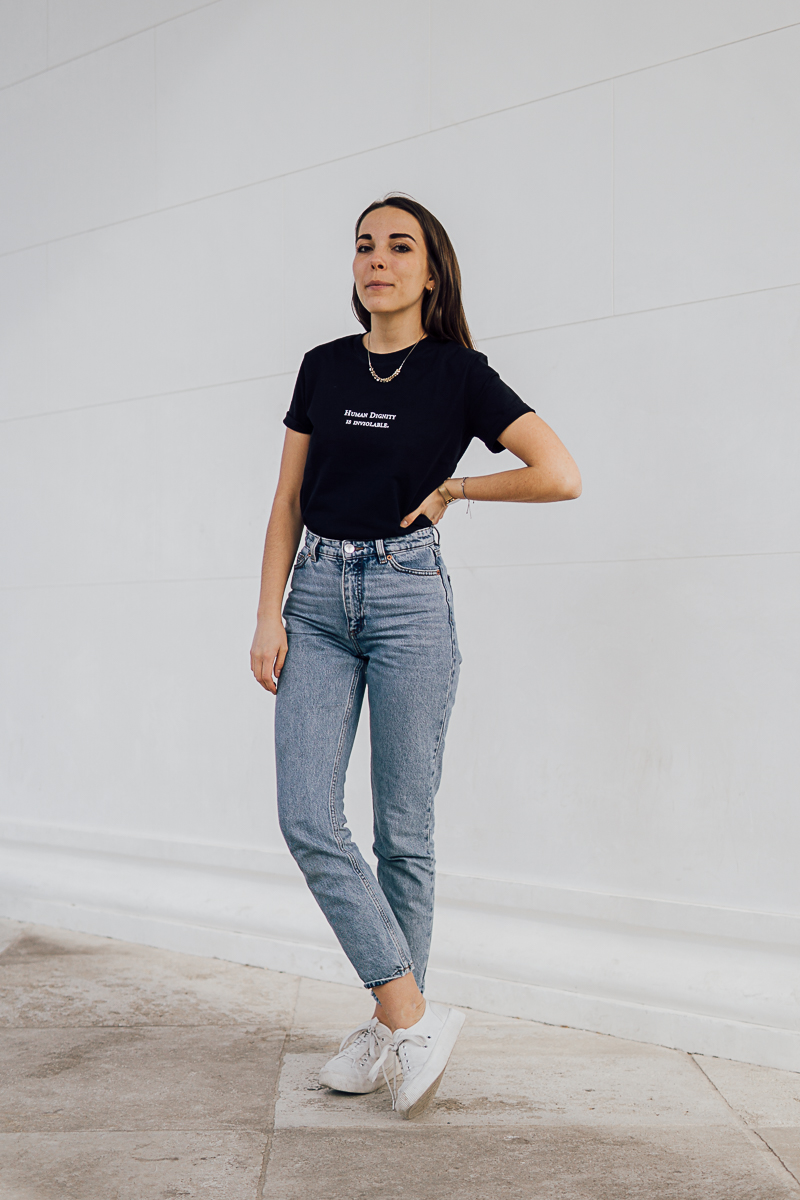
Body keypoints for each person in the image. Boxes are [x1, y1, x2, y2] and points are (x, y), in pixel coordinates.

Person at [250, 194, 581, 1118]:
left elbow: (560, 473)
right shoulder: (323, 366)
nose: (378, 260)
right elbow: (286, 502)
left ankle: (394, 1026)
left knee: (404, 831)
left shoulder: (460, 375)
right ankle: (410, 1015)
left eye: (400, 247)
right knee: (308, 816)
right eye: (365, 246)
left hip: (408, 598)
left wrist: (457, 490)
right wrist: (268, 615)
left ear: (432, 272)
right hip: (316, 599)